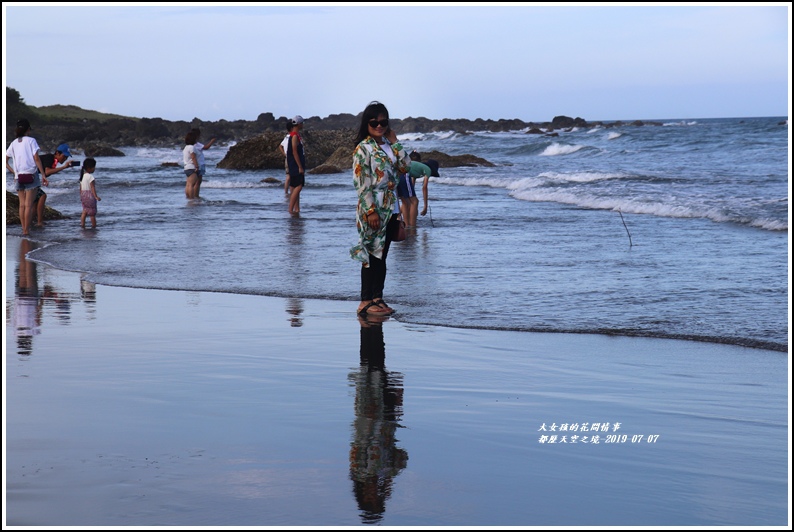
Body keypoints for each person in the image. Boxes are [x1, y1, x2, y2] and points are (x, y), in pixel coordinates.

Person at [351, 101, 411, 316]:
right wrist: (370, 211)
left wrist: (395, 143)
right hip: (373, 208)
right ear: (366, 123)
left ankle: (378, 297)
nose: (379, 125)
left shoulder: (388, 144)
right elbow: (361, 181)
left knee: (382, 255)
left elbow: (406, 167)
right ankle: (365, 301)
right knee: (371, 255)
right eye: (374, 122)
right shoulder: (363, 148)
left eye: (383, 122)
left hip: (391, 208)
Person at [5, 119, 48, 236]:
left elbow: (5, 160)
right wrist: (43, 175)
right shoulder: (31, 141)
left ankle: (23, 229)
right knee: (28, 205)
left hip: (19, 177)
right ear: (28, 129)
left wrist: (14, 172)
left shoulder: (13, 143)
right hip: (31, 175)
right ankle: (26, 231)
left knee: (22, 205)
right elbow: (37, 158)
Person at [36, 143, 78, 227]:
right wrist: (64, 167)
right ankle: (39, 222)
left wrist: (44, 177)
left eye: (67, 157)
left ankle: (35, 220)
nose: (65, 159)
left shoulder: (53, 160)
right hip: (29, 176)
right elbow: (47, 171)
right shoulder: (50, 158)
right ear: (57, 153)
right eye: (64, 156)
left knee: (35, 200)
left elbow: (45, 173)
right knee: (42, 196)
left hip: (28, 176)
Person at [400, 151, 432, 227]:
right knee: (415, 202)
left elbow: (411, 186)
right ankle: (412, 226)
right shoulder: (428, 170)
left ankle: (403, 222)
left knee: (406, 201)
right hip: (404, 174)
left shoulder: (416, 169)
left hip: (398, 175)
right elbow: (424, 187)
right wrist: (425, 207)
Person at [182, 128, 216, 199]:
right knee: (195, 183)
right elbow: (194, 157)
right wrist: (212, 141)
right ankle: (194, 197)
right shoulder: (194, 146)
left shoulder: (186, 147)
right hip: (195, 166)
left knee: (189, 184)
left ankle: (189, 197)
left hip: (187, 166)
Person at [286, 115, 306, 215]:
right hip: (295, 165)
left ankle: (296, 209)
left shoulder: (295, 135)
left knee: (294, 186)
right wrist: (300, 166)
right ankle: (290, 209)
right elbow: (294, 152)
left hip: (294, 164)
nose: (303, 125)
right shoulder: (294, 136)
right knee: (298, 186)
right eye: (302, 123)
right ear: (298, 124)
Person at [79, 158, 101, 229]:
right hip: (89, 196)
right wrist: (96, 196)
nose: (94, 168)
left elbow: (80, 188)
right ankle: (94, 226)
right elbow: (92, 187)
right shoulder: (90, 176)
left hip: (83, 195)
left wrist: (81, 196)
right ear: (89, 168)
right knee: (92, 213)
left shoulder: (82, 176)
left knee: (85, 210)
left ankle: (82, 225)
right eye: (94, 167)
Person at [278, 121, 292, 195]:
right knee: (290, 176)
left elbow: (280, 146)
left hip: (287, 158)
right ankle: (287, 192)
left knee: (288, 176)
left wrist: (284, 154)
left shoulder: (286, 137)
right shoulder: (291, 137)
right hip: (290, 158)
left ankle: (286, 192)